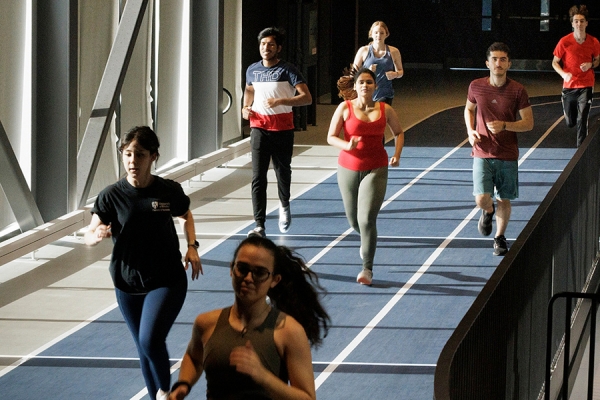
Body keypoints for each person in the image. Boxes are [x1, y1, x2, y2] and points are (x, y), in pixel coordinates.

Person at [84, 126, 203, 400]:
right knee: (142, 348)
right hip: (127, 285)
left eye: (139, 155)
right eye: (127, 154)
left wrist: (192, 247)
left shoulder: (167, 191)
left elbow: (186, 215)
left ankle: (165, 392)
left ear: (153, 157)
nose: (132, 161)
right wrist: (96, 235)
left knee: (150, 339)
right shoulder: (110, 196)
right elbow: (89, 233)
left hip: (166, 279)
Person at [167, 236, 330, 400]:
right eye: (242, 268)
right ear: (232, 269)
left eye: (260, 272)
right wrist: (183, 385)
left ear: (274, 280)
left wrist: (263, 377)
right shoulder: (206, 323)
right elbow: (193, 358)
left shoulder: (289, 332)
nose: (248, 278)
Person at [327, 67, 404, 286]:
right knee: (354, 220)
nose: (365, 86)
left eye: (369, 82)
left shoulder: (385, 109)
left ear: (375, 86)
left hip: (376, 167)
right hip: (348, 166)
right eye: (361, 82)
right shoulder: (344, 108)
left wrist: (396, 155)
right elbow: (331, 137)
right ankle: (367, 240)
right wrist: (347, 144)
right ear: (355, 86)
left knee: (367, 219)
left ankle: (367, 269)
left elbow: (398, 132)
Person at [464, 42, 534, 256]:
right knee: (481, 198)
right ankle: (487, 210)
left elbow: (529, 123)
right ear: (487, 63)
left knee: (504, 198)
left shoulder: (517, 90)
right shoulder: (476, 86)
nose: (498, 63)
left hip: (507, 153)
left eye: (503, 59)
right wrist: (470, 131)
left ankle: (500, 237)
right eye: (494, 59)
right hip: (482, 151)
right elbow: (468, 109)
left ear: (509, 64)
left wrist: (505, 125)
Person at [242, 27, 313, 238]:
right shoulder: (252, 70)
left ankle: (284, 205)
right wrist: (245, 108)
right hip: (259, 127)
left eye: (271, 44)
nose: (266, 48)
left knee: (282, 172)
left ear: (278, 48)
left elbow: (306, 98)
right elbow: (250, 91)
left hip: (282, 129)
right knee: (258, 177)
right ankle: (259, 224)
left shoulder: (288, 70)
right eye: (263, 44)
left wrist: (281, 101)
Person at [552, 5, 600, 147]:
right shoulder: (564, 42)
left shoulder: (594, 42)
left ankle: (581, 152)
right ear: (572, 23)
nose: (579, 24)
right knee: (570, 122)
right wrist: (563, 74)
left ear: (586, 23)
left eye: (581, 21)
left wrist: (590, 65)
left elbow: (598, 59)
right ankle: (567, 109)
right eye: (576, 21)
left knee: (582, 118)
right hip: (569, 86)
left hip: (586, 84)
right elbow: (554, 62)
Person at [352, 21, 403, 105]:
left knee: (379, 114)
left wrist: (395, 74)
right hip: (366, 93)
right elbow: (353, 73)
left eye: (381, 33)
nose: (378, 36)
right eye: (376, 33)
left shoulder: (394, 51)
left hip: (385, 94)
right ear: (371, 34)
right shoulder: (363, 50)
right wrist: (367, 71)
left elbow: (401, 72)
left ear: (386, 34)